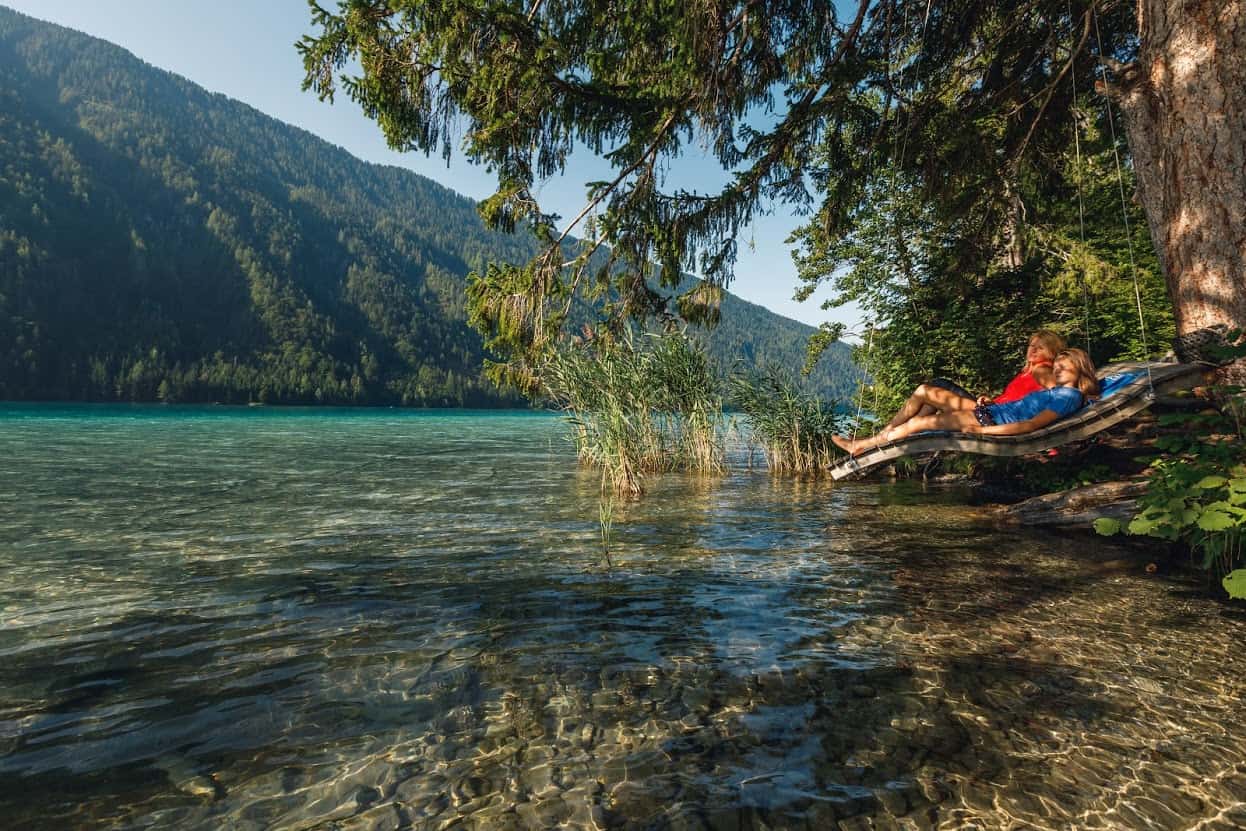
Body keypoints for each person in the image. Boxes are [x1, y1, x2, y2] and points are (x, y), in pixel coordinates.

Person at [832, 348, 1100, 457]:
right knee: (923, 405)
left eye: (1064, 367)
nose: (1057, 370)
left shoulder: (1068, 396)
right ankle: (867, 443)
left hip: (989, 419)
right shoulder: (1064, 393)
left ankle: (862, 446)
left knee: (920, 423)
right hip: (990, 412)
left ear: (1080, 369)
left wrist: (984, 431)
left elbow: (1029, 425)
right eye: (1057, 367)